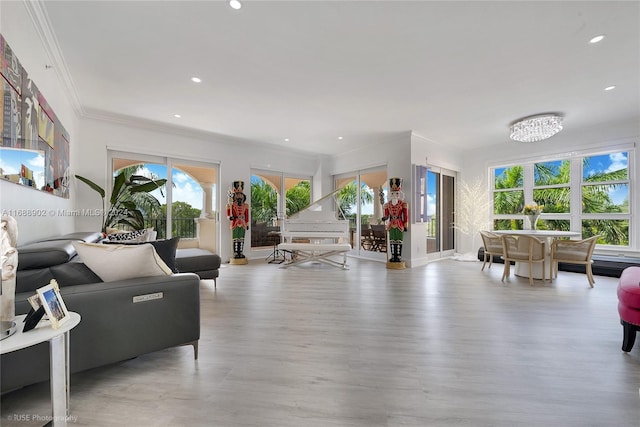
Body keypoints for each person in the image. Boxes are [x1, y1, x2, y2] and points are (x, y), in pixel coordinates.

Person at [382, 177, 409, 263]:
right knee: (392, 241)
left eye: (396, 193)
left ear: (399, 193)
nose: (394, 195)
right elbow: (387, 215)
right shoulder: (387, 204)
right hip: (391, 224)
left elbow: (405, 215)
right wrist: (385, 218)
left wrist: (405, 225)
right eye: (392, 193)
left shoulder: (403, 204)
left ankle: (399, 256)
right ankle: (393, 256)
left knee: (399, 241)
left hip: (399, 224)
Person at [226, 181, 250, 259]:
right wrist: (230, 217)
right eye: (237, 195)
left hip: (243, 223)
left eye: (240, 194)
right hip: (235, 223)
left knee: (241, 238)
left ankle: (241, 252)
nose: (239, 196)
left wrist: (247, 224)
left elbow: (247, 216)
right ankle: (236, 253)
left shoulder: (246, 205)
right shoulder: (230, 205)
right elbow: (228, 214)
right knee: (235, 238)